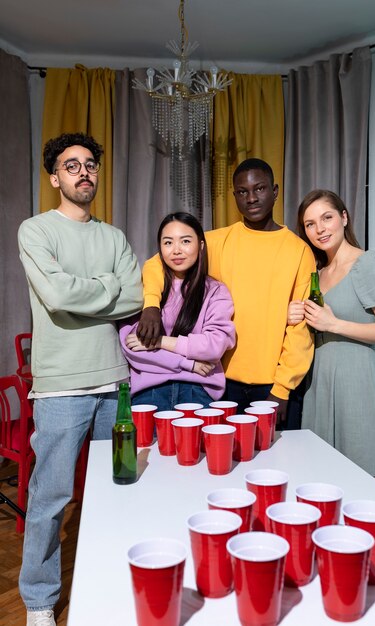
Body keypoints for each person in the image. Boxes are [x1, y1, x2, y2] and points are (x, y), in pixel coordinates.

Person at [17, 132, 142, 626]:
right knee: (50, 499)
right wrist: (107, 286)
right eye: (72, 166)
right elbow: (57, 296)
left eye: (90, 164)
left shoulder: (114, 236)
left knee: (119, 488)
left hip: (114, 381)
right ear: (55, 178)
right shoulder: (36, 230)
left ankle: (111, 577)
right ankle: (40, 602)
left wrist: (94, 291)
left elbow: (135, 298)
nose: (83, 172)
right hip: (61, 385)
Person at [138, 159, 316, 422]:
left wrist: (282, 390)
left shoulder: (299, 250)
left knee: (277, 460)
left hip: (274, 386)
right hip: (219, 380)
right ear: (234, 196)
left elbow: (301, 329)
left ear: (275, 191)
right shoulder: (215, 241)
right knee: (223, 460)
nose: (251, 198)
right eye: (242, 192)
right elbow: (156, 263)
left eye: (260, 189)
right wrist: (151, 305)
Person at [287, 189, 375, 477]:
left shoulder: (365, 265)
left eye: (326, 218)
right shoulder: (318, 271)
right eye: (310, 224)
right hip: (317, 379)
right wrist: (293, 316)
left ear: (344, 217)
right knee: (320, 475)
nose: (319, 229)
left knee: (359, 476)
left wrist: (333, 324)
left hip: (355, 379)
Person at [119, 212, 235, 409]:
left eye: (186, 241)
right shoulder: (145, 288)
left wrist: (160, 341)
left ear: (201, 245)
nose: (176, 250)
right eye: (168, 243)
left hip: (197, 389)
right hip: (150, 391)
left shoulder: (215, 291)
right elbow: (132, 346)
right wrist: (189, 364)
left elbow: (214, 346)